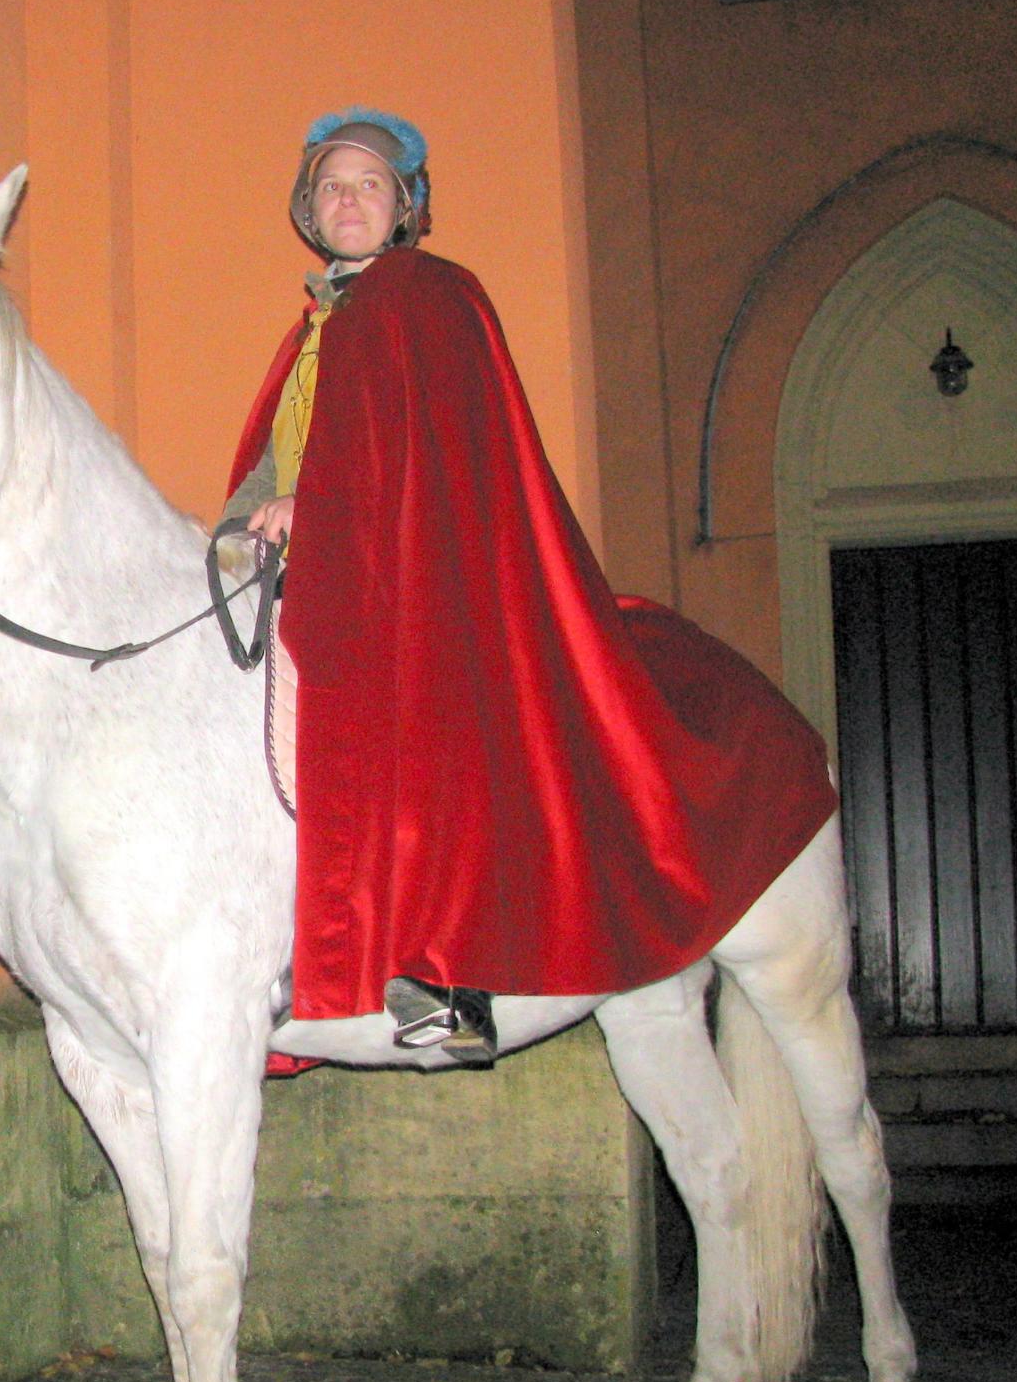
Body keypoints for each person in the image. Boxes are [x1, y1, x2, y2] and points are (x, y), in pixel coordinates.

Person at [224, 111, 838, 1067]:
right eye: (333, 185)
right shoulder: (314, 330)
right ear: (310, 207)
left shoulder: (428, 296)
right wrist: (236, 534)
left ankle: (449, 975)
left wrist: (322, 507)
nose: (349, 198)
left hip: (417, 586)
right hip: (321, 590)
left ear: (404, 210)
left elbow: (428, 457)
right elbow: (271, 467)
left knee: (424, 734)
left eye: (371, 185)